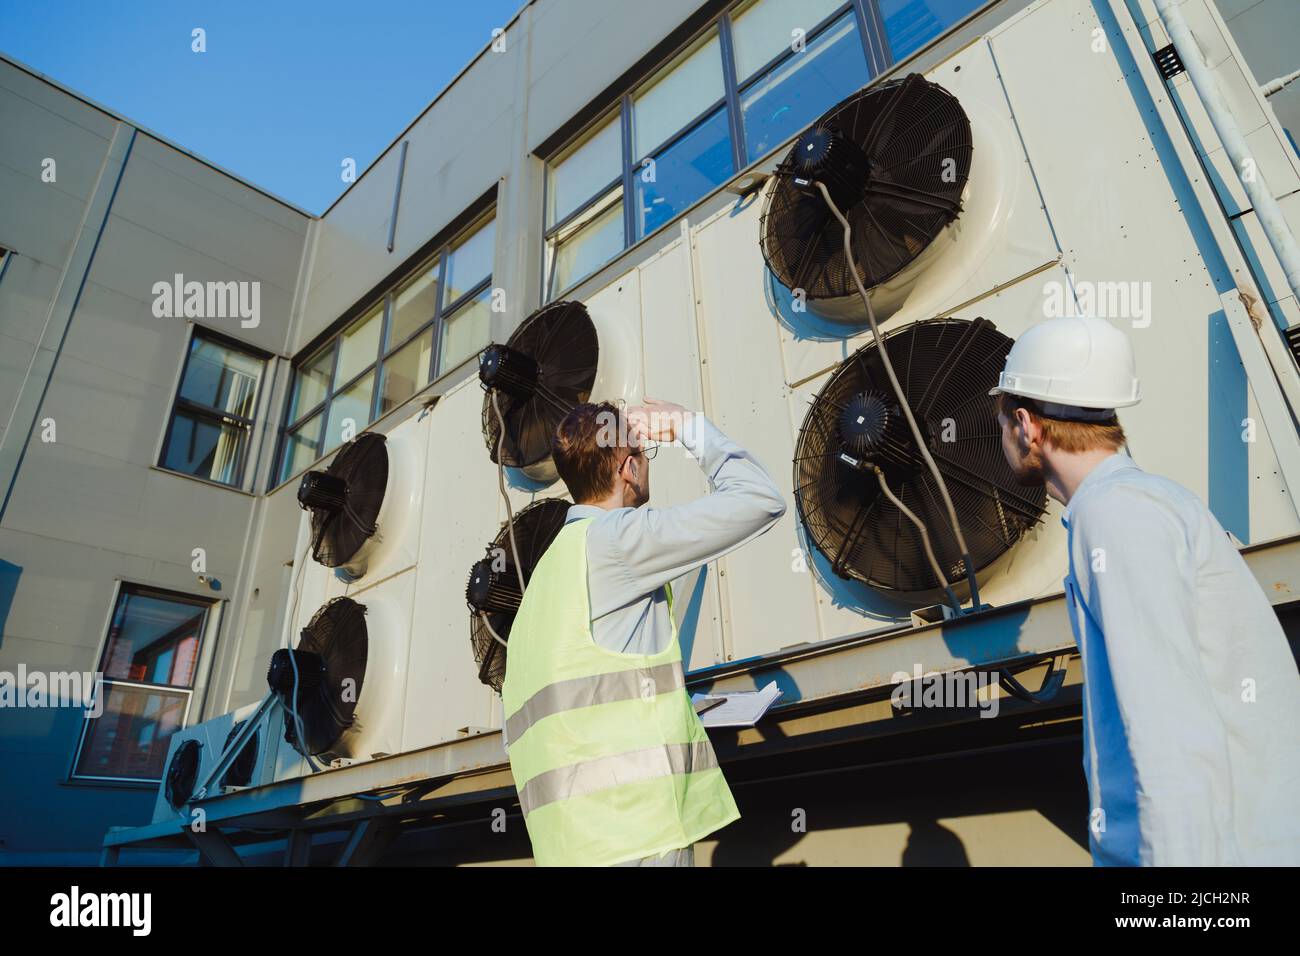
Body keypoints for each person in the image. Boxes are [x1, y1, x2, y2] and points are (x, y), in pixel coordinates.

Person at [990, 314, 1300, 865]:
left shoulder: (1116, 517)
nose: (1003, 440)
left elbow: (1169, 734)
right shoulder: (1143, 504)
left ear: (1026, 424)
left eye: (1000, 425)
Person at [500, 397, 787, 866]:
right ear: (628, 468)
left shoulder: (544, 582)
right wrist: (689, 427)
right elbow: (760, 500)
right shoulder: (618, 540)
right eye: (645, 456)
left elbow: (568, 709)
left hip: (569, 849)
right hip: (637, 832)